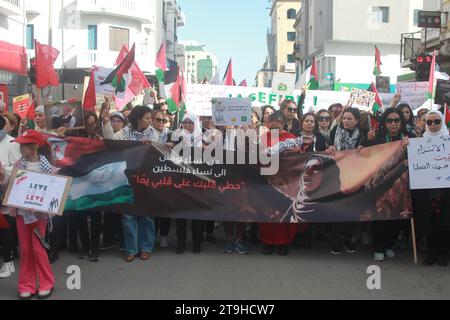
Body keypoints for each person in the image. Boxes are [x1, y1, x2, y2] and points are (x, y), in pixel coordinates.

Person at [102, 106, 157, 262]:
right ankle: (131, 248)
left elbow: (160, 152)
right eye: (147, 118)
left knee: (147, 215)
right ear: (139, 119)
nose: (150, 121)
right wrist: (106, 123)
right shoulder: (125, 132)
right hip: (127, 178)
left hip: (146, 179)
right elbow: (111, 142)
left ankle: (146, 247)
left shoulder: (154, 134)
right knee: (128, 215)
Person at [10, 130, 55, 299]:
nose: (21, 148)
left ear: (34, 146)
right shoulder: (18, 165)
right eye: (20, 145)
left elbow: (53, 191)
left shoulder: (47, 167)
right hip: (22, 214)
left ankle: (46, 283)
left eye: (24, 145)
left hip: (39, 216)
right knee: (26, 249)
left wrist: (39, 206)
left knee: (38, 248)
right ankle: (26, 285)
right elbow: (11, 187)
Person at [365, 108, 411, 261]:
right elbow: (363, 155)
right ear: (384, 123)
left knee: (395, 216)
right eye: (389, 121)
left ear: (401, 122)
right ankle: (378, 247)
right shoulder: (377, 139)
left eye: (396, 120)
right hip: (380, 186)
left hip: (400, 187)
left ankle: (389, 245)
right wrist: (366, 141)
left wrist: (409, 150)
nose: (393, 124)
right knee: (379, 216)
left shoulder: (408, 139)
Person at [259, 111, 300, 256]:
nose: (273, 129)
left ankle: (284, 243)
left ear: (282, 124)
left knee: (284, 212)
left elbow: (299, 158)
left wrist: (296, 151)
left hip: (286, 181)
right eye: (271, 126)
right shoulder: (263, 137)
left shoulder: (291, 138)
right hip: (267, 180)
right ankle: (267, 243)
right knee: (268, 212)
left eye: (276, 126)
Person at [412, 111, 450, 267]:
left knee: (445, 221)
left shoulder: (448, 140)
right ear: (425, 124)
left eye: (436, 121)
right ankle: (431, 252)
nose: (433, 125)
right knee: (430, 221)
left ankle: (443, 253)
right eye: (429, 122)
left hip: (445, 191)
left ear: (442, 122)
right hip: (427, 191)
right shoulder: (420, 142)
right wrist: (408, 147)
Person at [328, 107, 367, 255]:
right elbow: (328, 149)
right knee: (337, 209)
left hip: (356, 177)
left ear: (356, 121)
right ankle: (335, 241)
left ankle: (348, 240)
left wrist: (364, 148)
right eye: (344, 118)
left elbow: (367, 154)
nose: (346, 121)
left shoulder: (363, 135)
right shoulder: (334, 132)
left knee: (352, 210)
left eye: (350, 119)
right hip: (338, 176)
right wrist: (330, 148)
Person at [171, 113, 205, 254]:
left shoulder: (204, 137)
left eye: (190, 123)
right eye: (185, 122)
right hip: (181, 179)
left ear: (195, 123)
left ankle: (197, 243)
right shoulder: (176, 136)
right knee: (181, 213)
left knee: (197, 214)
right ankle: (181, 243)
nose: (187, 125)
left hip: (198, 181)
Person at [0, 116, 21, 279]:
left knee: (5, 226)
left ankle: (9, 261)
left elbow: (18, 167)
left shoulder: (12, 142)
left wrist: (3, 172)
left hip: (5, 189)